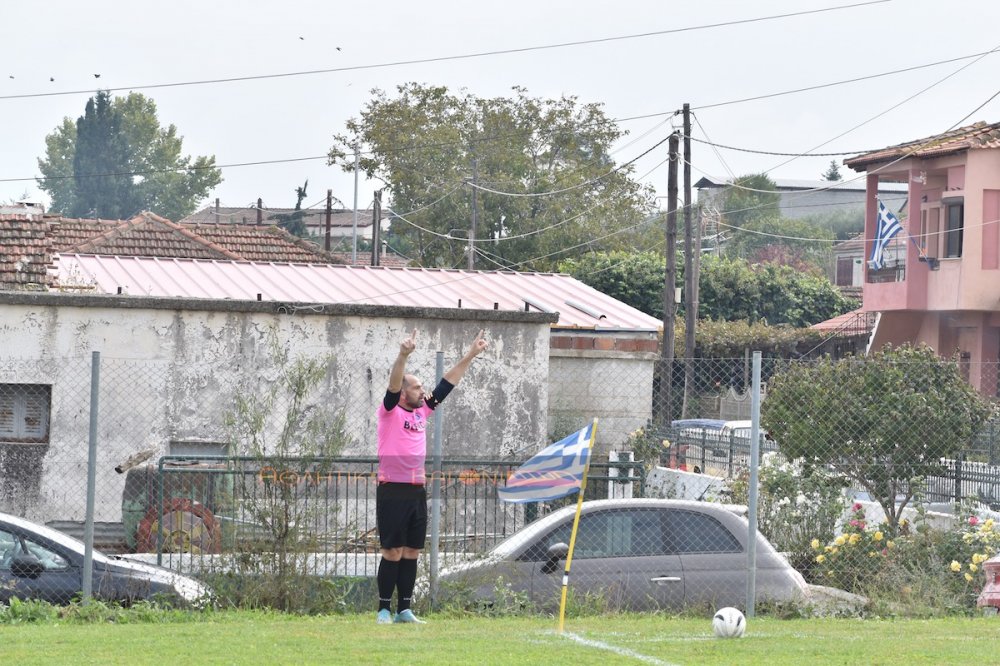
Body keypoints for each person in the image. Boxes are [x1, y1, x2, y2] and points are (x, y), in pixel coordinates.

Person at [375, 328, 488, 624]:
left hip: (417, 490)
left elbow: (447, 384)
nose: (422, 392)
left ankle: (405, 610)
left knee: (412, 551)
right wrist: (403, 355)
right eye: (416, 388)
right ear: (403, 392)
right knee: (393, 551)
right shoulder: (389, 412)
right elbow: (393, 383)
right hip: (393, 490)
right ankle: (384, 609)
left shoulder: (421, 413)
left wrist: (470, 355)